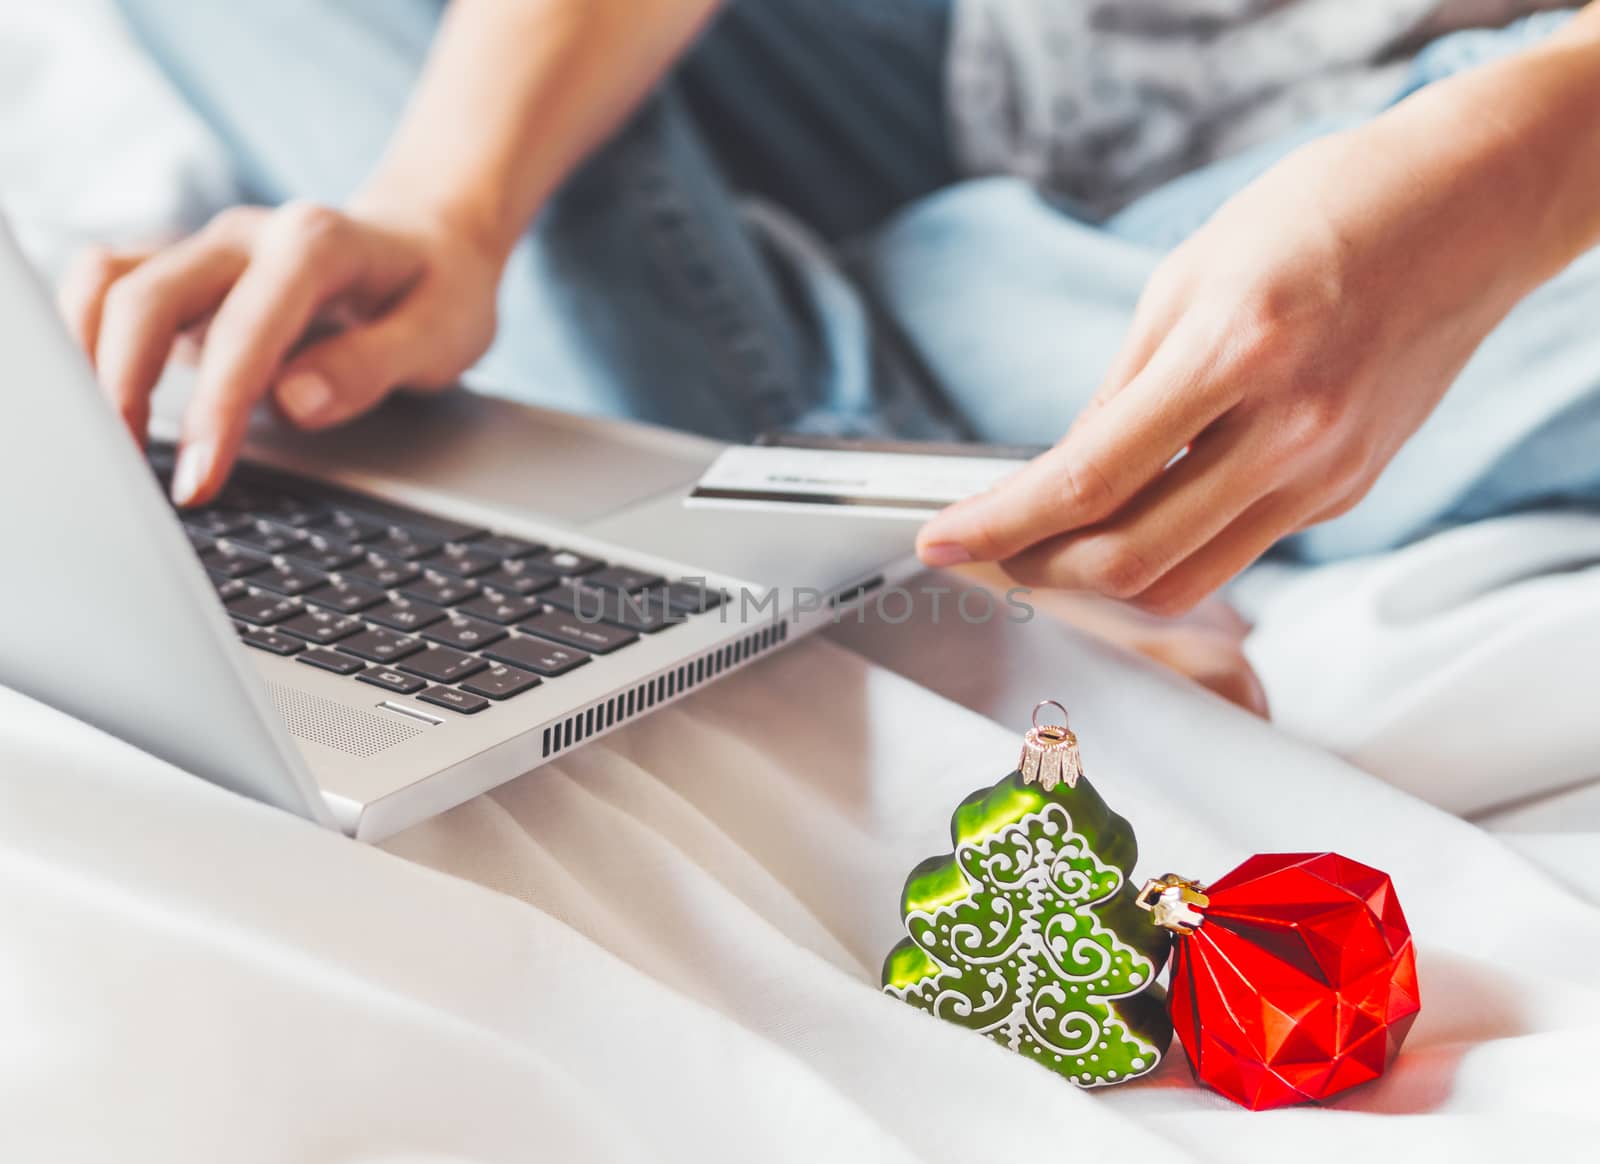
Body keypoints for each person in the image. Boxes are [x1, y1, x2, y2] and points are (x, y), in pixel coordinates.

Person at [61, 0, 1600, 629]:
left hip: (1479, 130)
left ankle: (781, 426)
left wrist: (1512, 172)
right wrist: (445, 204)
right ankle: (872, 463)